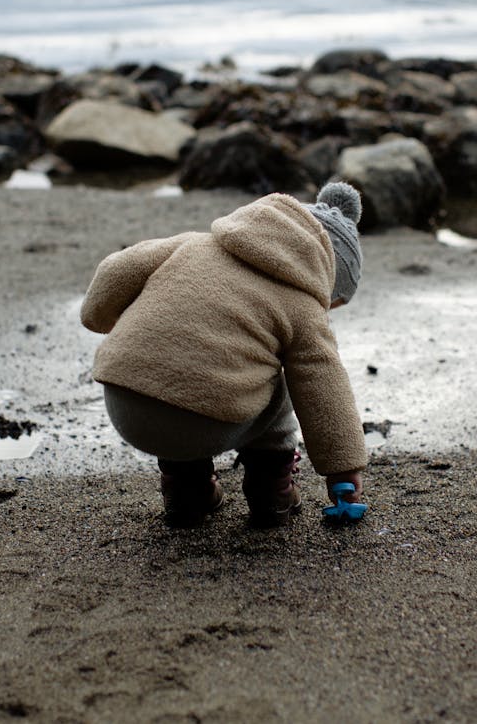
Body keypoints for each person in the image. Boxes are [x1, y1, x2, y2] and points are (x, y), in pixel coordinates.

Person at [81, 180, 367, 527]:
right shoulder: (302, 306)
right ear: (327, 271)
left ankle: (186, 490)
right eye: (332, 300)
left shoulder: (191, 245)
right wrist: (343, 470)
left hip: (126, 400)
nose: (326, 307)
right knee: (286, 380)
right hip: (207, 420)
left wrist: (100, 317)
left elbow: (114, 270)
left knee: (183, 366)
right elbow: (325, 389)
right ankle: (271, 490)